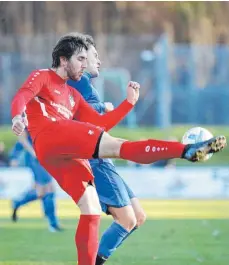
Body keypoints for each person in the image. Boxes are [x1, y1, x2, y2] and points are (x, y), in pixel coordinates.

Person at [11, 34, 226, 265]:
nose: (85, 64)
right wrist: (17, 117)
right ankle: (186, 150)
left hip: (56, 154)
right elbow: (23, 95)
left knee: (91, 208)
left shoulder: (72, 95)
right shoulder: (44, 75)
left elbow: (101, 124)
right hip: (51, 135)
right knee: (119, 147)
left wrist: (129, 103)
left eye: (87, 58)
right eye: (81, 58)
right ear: (63, 60)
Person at [67, 34, 146, 265]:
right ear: (81, 58)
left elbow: (93, 122)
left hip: (102, 157)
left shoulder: (84, 84)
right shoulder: (78, 81)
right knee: (127, 220)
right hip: (95, 160)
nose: (99, 61)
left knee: (138, 217)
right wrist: (105, 106)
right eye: (95, 56)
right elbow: (78, 112)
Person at [9, 130, 62, 232]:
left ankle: (17, 202)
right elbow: (22, 138)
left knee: (44, 190)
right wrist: (15, 155)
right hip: (35, 158)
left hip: (45, 156)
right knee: (47, 189)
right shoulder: (28, 117)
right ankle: (53, 223)